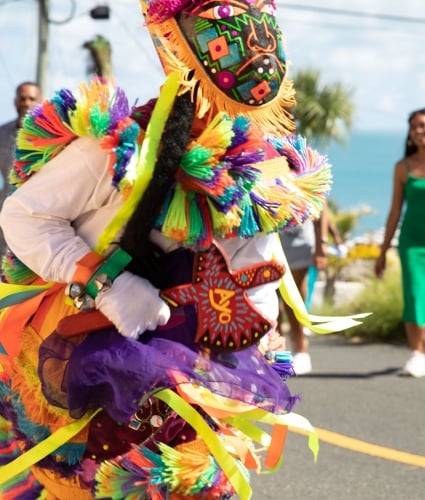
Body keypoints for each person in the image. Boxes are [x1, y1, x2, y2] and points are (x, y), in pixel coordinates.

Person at [0, 1, 332, 498]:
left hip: (210, 381)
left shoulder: (258, 171)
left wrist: (255, 334)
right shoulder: (119, 147)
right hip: (99, 373)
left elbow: (255, 264)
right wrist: (108, 284)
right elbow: (24, 217)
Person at [375, 108, 425, 378]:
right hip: (413, 243)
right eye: (416, 127)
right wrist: (383, 252)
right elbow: (395, 211)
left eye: (424, 125)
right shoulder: (403, 167)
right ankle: (417, 354)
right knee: (416, 296)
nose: (420, 131)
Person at [279, 210, 329, 375]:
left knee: (294, 296)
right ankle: (277, 351)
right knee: (269, 297)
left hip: (297, 235)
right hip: (265, 233)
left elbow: (321, 204)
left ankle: (301, 349)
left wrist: (321, 245)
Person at [0, 81, 41, 252]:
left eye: (32, 99)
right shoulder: (2, 133)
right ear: (15, 101)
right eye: (22, 98)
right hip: (5, 212)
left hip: (37, 214)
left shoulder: (50, 137)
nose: (27, 103)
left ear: (40, 102)